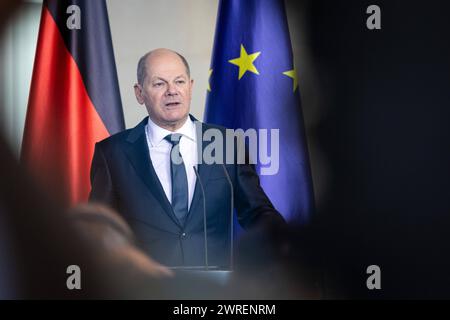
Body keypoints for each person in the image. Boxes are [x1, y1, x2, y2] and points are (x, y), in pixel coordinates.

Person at [89, 48, 285, 268]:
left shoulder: (225, 144)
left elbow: (257, 213)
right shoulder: (112, 153)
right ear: (139, 93)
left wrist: (286, 244)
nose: (172, 91)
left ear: (190, 87)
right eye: (159, 84)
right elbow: (99, 229)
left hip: (213, 291)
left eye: (179, 82)